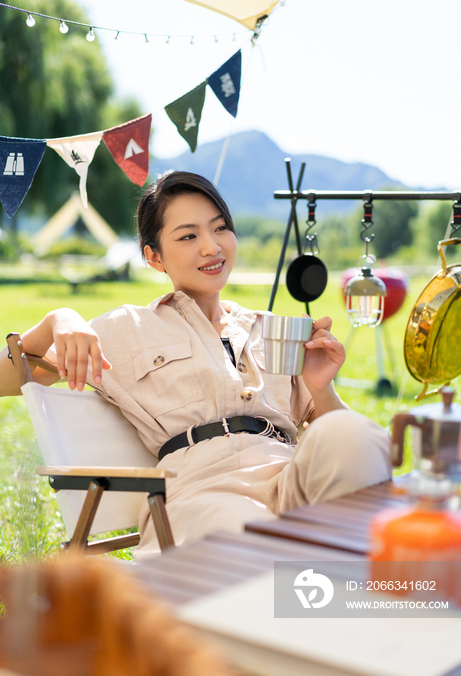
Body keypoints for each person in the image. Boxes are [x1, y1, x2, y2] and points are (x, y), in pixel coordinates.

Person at [0, 171, 391, 558]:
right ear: (154, 256)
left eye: (220, 229)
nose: (211, 247)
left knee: (354, 434)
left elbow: (343, 452)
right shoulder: (126, 329)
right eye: (188, 236)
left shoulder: (270, 328)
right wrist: (58, 320)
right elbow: (12, 376)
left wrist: (322, 388)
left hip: (290, 477)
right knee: (247, 536)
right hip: (205, 490)